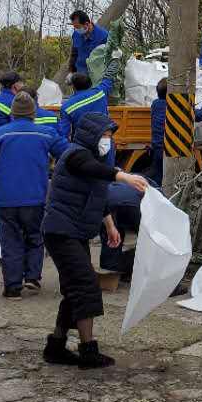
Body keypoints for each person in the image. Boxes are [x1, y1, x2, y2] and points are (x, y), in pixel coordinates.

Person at [42, 110, 149, 369]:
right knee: (86, 284)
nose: (108, 140)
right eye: (105, 135)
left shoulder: (91, 157)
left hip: (73, 232)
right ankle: (88, 350)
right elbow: (93, 170)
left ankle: (56, 346)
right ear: (91, 135)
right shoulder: (75, 154)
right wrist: (122, 175)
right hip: (61, 231)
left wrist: (110, 225)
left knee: (74, 288)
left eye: (110, 136)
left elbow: (96, 195)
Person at [0, 91, 69, 299]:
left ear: (12, 114)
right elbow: (67, 152)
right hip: (35, 196)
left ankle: (13, 287)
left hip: (6, 197)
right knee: (35, 236)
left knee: (10, 240)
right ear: (33, 113)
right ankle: (32, 277)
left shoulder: (0, 134)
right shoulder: (45, 133)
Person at [58, 50, 123, 137]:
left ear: (73, 86)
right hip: (103, 140)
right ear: (90, 84)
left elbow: (63, 134)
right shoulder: (100, 92)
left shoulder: (67, 107)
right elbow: (109, 75)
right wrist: (115, 59)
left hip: (82, 144)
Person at [66, 10, 108, 78]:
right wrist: (71, 72)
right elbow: (74, 54)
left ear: (87, 24)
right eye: (75, 27)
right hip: (79, 75)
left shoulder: (103, 36)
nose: (76, 30)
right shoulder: (76, 35)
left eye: (78, 27)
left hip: (95, 77)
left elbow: (107, 59)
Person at [147, 78, 167, 188]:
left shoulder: (155, 104)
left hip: (157, 147)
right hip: (170, 149)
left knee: (157, 178)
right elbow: (200, 115)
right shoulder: (176, 105)